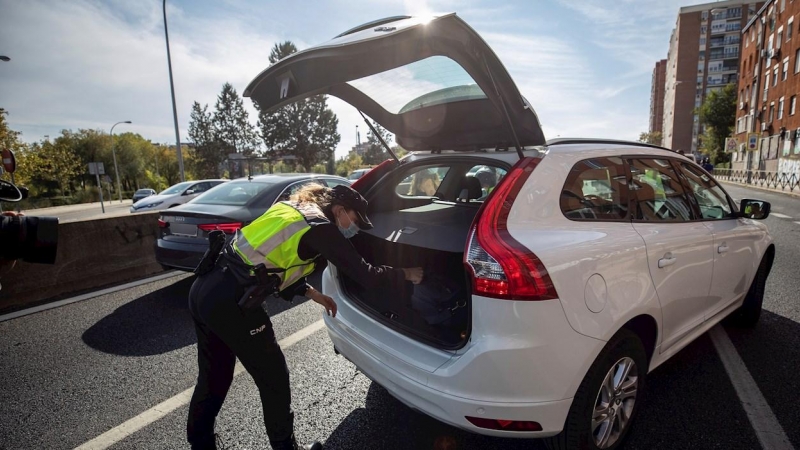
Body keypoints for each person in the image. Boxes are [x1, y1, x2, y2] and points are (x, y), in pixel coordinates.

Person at [186, 184, 424, 450]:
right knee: (274, 379)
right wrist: (406, 273)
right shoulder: (321, 227)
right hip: (232, 302)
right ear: (341, 210)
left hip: (205, 289)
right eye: (355, 220)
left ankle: (200, 444)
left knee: (214, 376)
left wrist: (313, 293)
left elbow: (269, 260)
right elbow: (366, 274)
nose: (354, 228)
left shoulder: (294, 208)